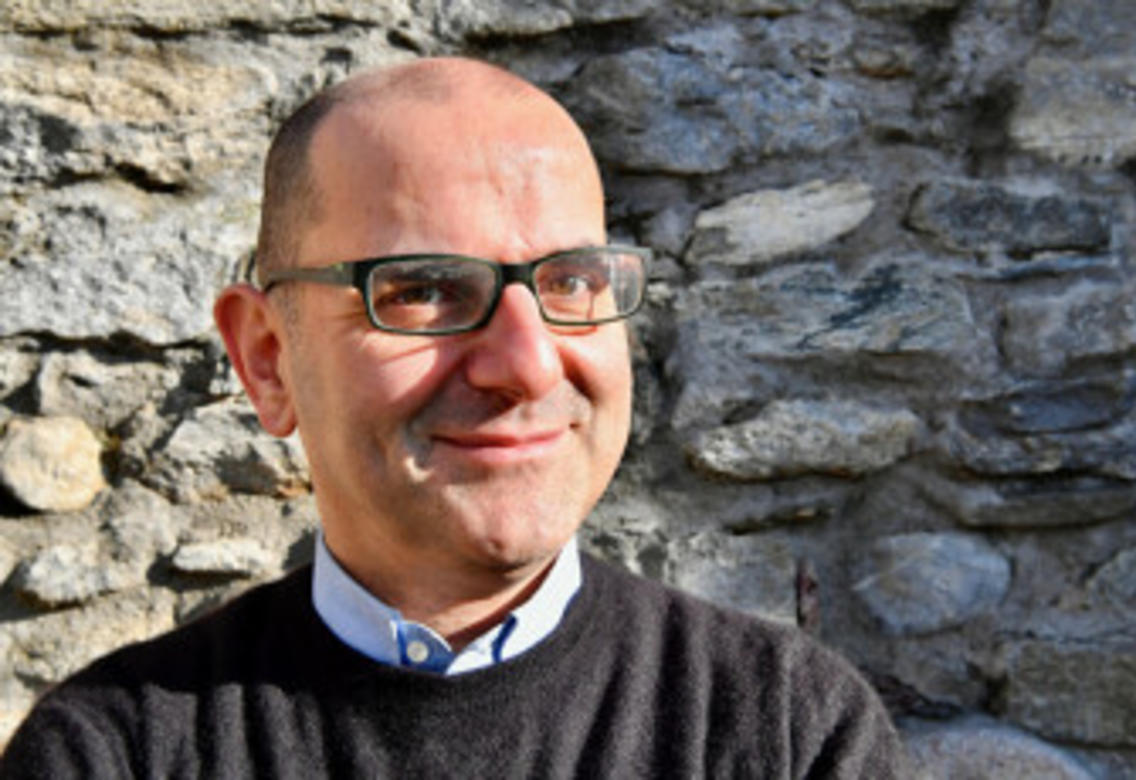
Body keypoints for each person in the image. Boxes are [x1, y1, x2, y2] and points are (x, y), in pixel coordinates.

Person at [1, 58, 905, 778]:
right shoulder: (114, 754)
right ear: (268, 359)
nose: (527, 362)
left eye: (571, 282)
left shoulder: (787, 732)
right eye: (424, 290)